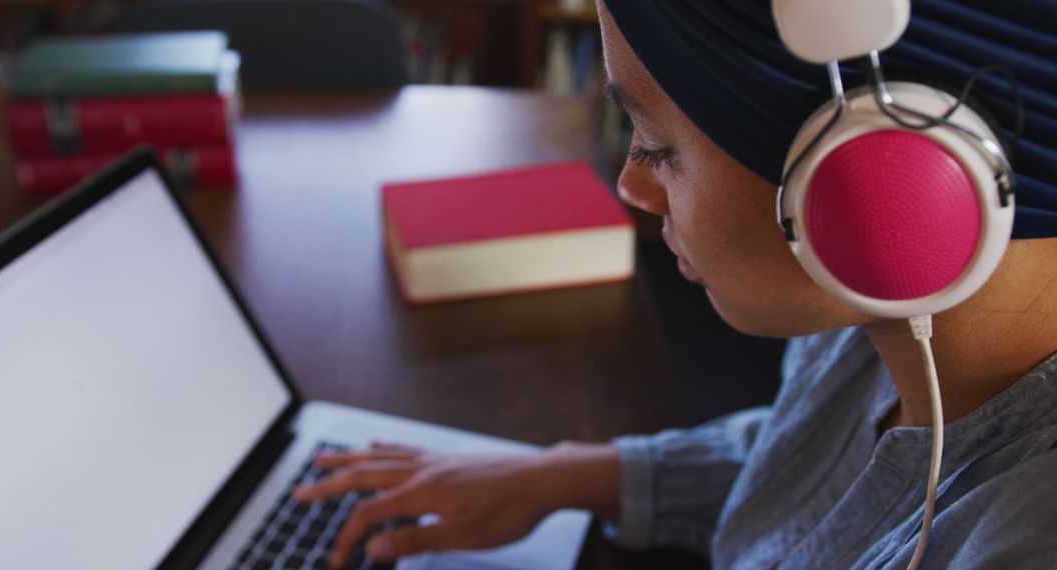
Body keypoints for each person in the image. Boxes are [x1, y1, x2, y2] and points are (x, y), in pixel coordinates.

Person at [295, 1, 1057, 567]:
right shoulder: (884, 319)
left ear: (888, 183)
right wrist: (559, 477)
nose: (632, 184)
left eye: (657, 146)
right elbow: (807, 473)